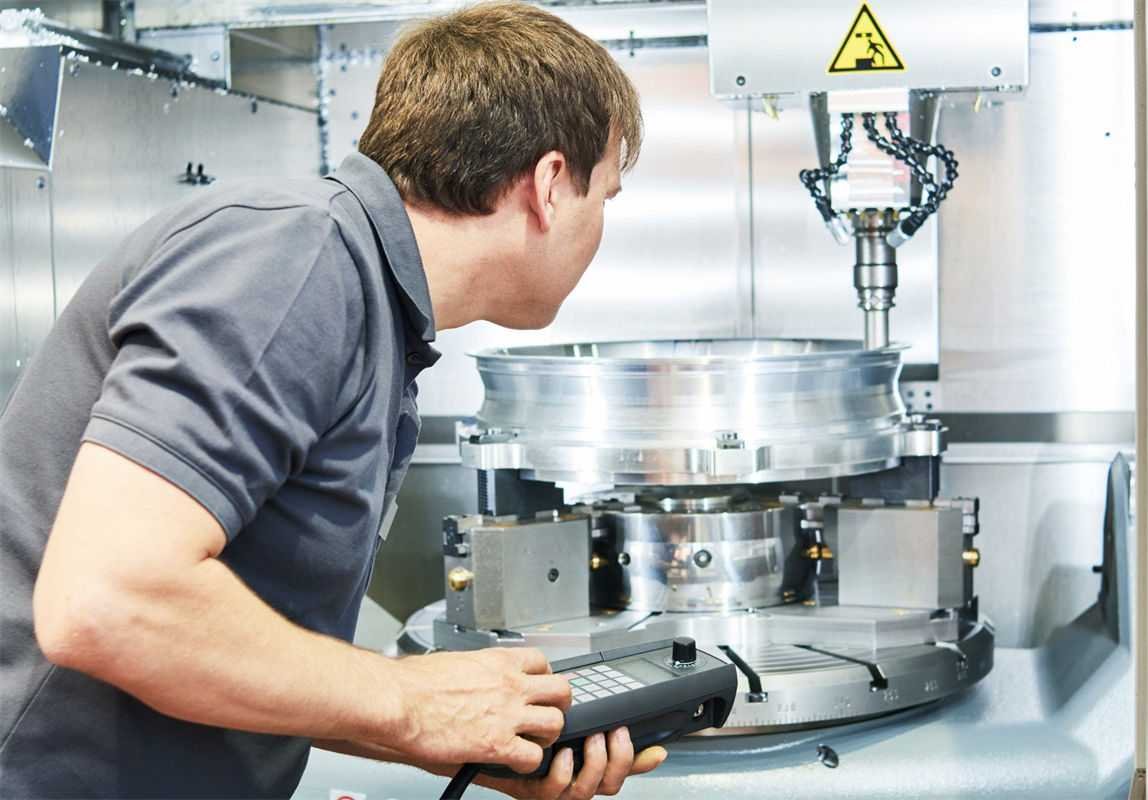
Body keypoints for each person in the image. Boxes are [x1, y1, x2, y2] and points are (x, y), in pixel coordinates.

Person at [0, 3, 665, 798]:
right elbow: (106, 601)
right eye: (608, 198)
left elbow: (232, 648)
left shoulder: (372, 308)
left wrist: (468, 737)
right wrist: (412, 704)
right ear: (551, 186)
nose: (601, 228)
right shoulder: (295, 258)